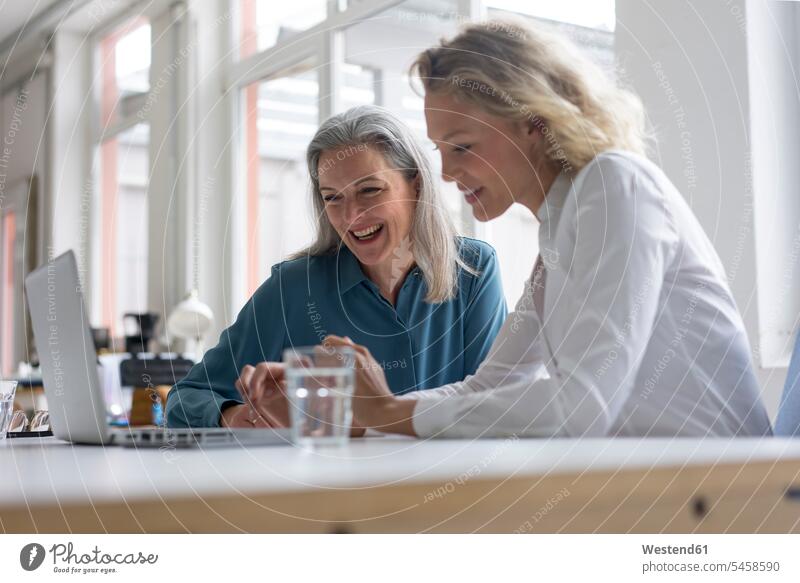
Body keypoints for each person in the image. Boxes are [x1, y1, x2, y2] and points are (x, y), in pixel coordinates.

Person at [246, 19, 772, 438]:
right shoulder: (560, 224)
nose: (446, 174)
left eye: (463, 146)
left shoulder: (615, 185)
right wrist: (370, 412)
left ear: (534, 122)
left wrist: (387, 414)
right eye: (440, 151)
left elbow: (582, 405)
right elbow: (491, 384)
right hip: (647, 485)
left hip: (724, 494)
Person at [165, 105, 507, 428]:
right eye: (332, 197)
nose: (351, 216)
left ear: (415, 184)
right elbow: (186, 397)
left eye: (370, 190)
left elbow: (492, 403)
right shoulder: (294, 288)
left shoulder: (474, 270)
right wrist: (233, 415)